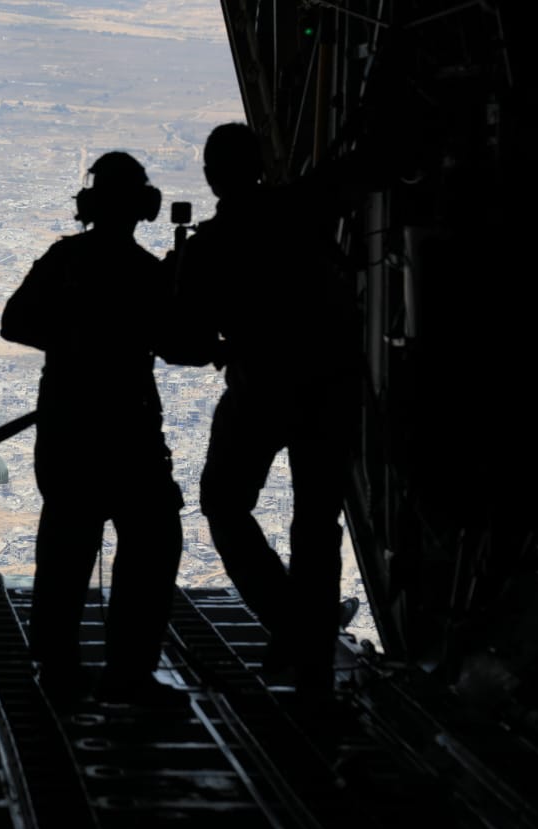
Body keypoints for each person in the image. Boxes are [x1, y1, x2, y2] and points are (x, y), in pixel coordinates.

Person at [172, 122, 362, 697]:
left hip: (259, 389)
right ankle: (311, 656)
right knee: (317, 523)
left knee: (223, 503)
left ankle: (289, 621)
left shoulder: (210, 246)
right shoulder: (302, 207)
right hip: (327, 387)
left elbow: (186, 339)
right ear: (260, 166)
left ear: (211, 176)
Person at [0, 151, 188, 709]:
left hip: (69, 426)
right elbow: (184, 346)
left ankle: (58, 669)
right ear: (145, 207)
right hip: (129, 430)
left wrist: (73, 339)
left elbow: (15, 322)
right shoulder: (149, 273)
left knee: (66, 546)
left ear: (88, 204)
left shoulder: (65, 260)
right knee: (152, 544)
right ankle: (128, 673)